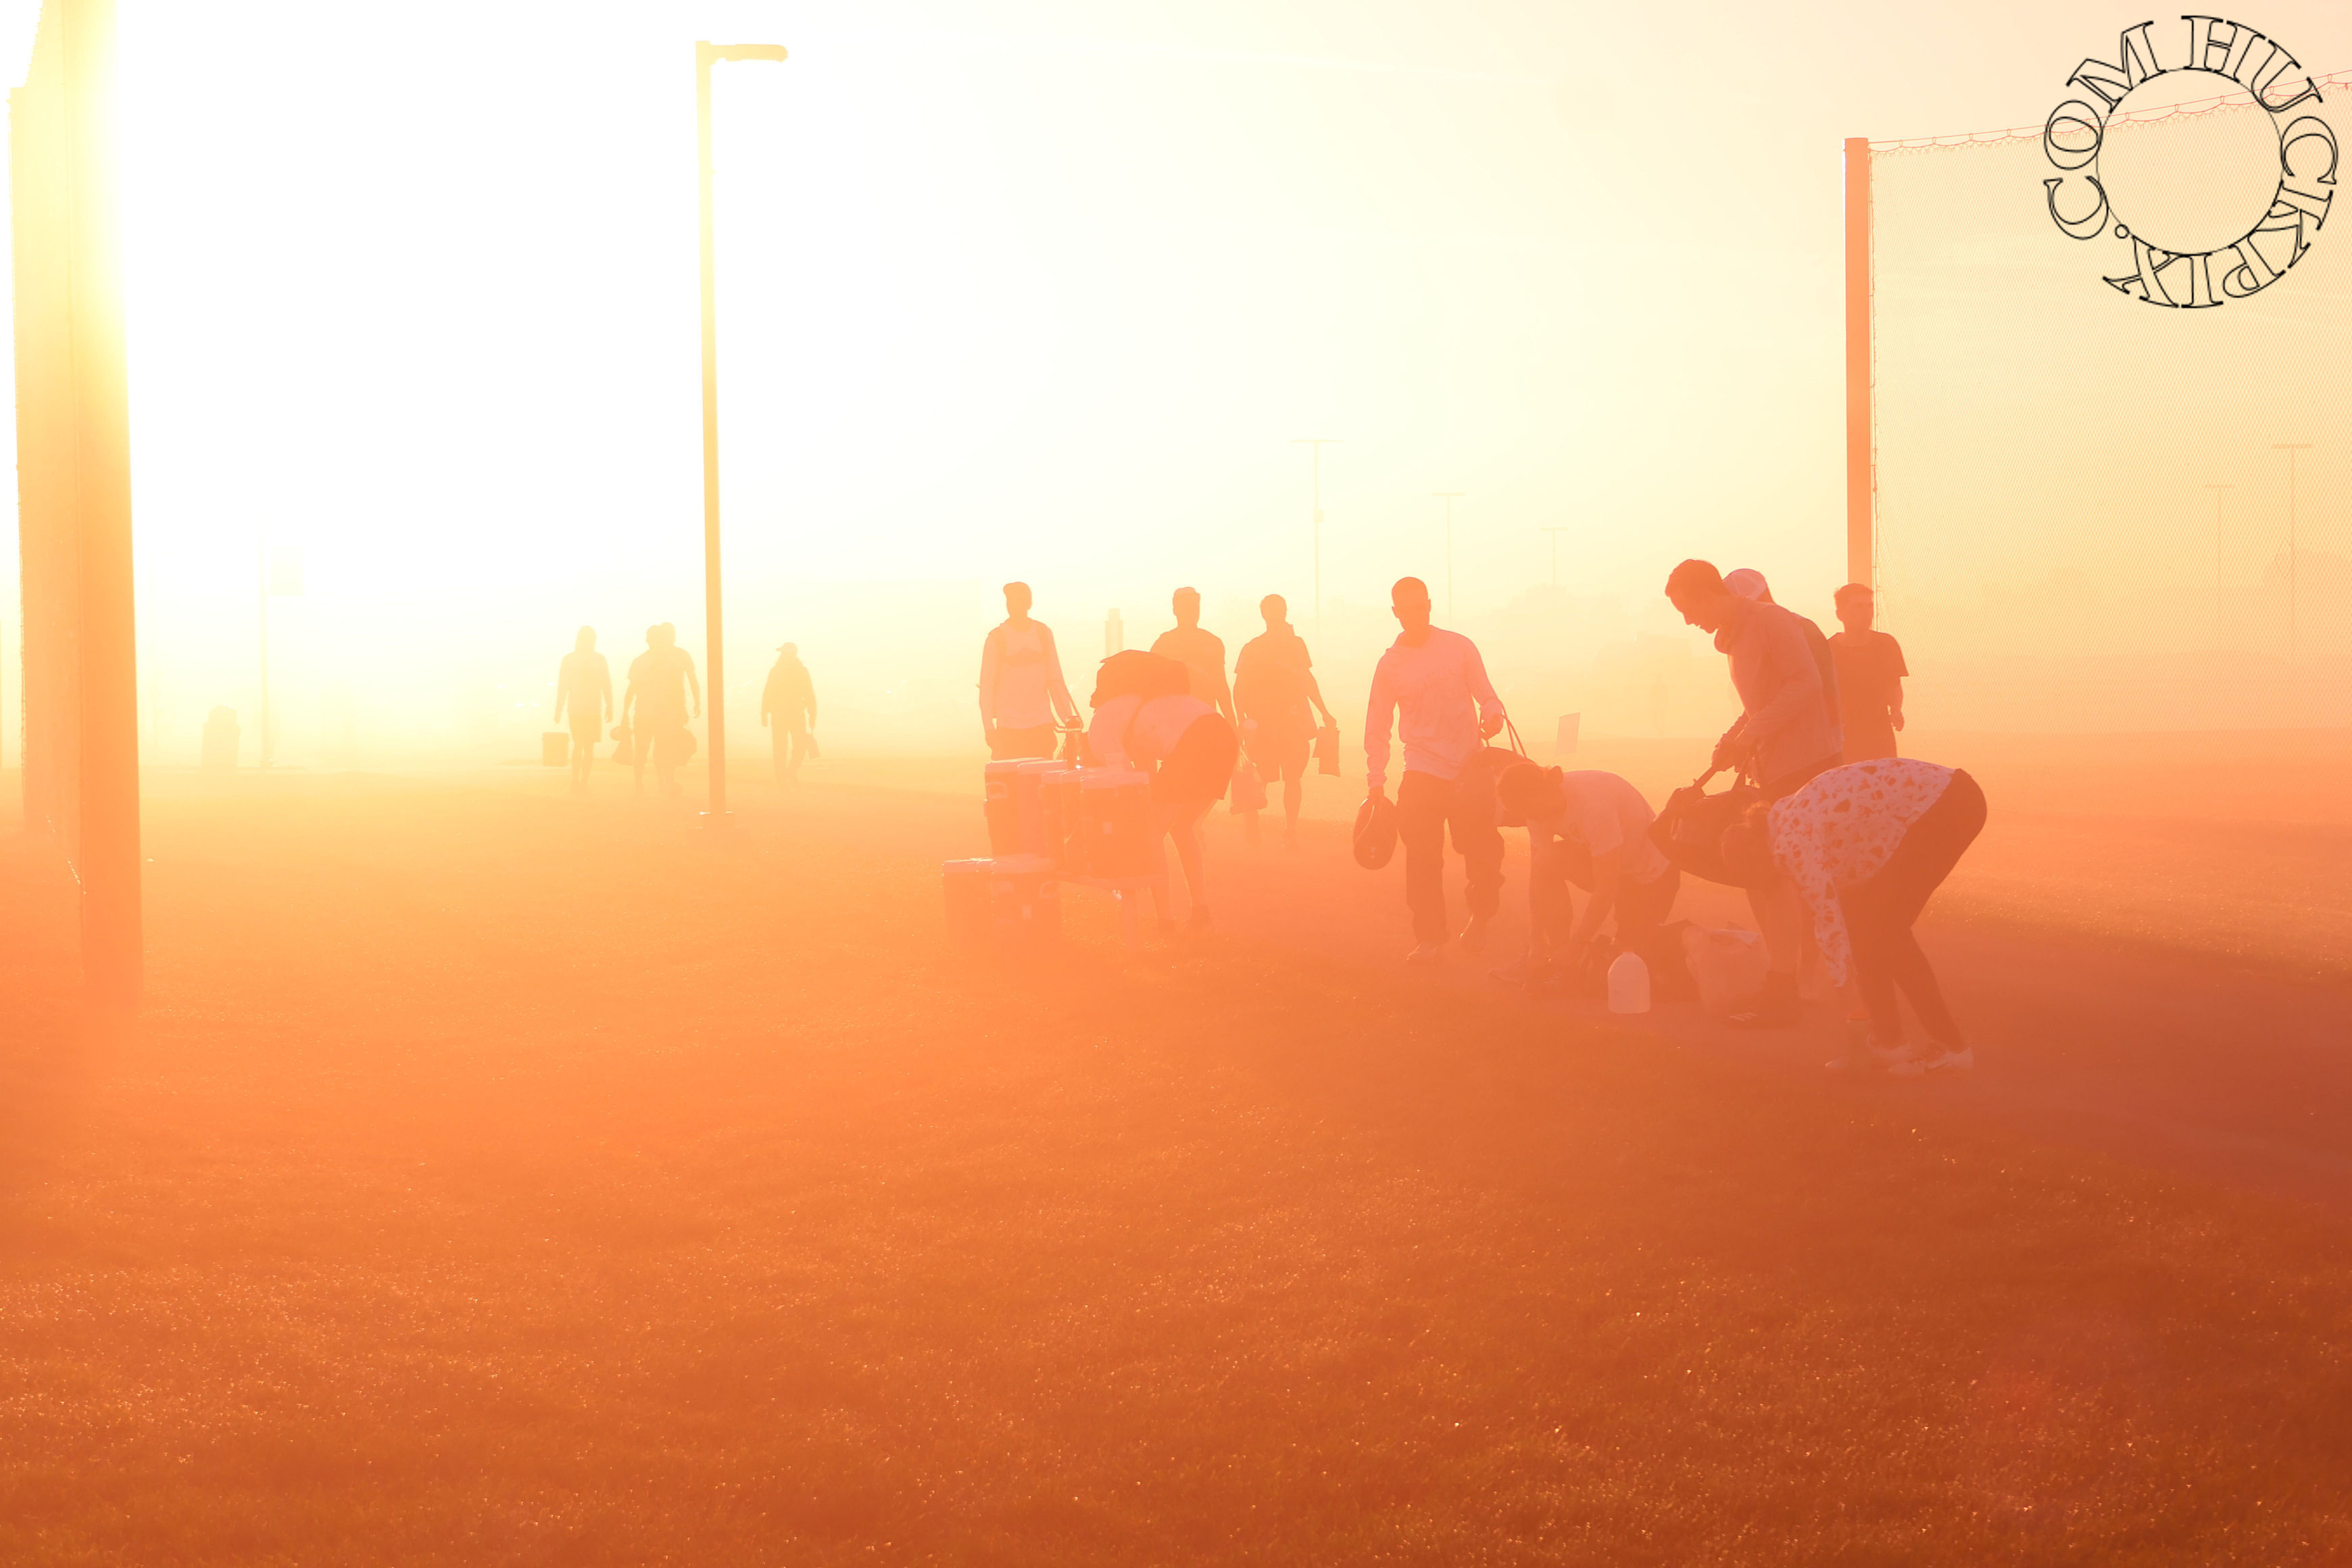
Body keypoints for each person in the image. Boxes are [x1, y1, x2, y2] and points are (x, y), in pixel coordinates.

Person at [1719, 758, 1986, 1075]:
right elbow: (1847, 903)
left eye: (1758, 880)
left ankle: (1952, 1048)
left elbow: (1830, 928)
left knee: (1888, 933)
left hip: (1947, 804)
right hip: (1941, 801)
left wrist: (1851, 1006)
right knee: (1867, 928)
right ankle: (1889, 1045)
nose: (1768, 889)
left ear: (1756, 856)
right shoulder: (1782, 819)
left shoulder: (1791, 846)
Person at [1666, 559, 1841, 1024]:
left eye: (1688, 609)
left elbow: (1807, 684)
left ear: (1708, 593)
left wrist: (1749, 734)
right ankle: (1786, 984)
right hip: (1772, 768)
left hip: (1806, 764)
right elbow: (1761, 704)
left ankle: (1795, 987)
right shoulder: (1735, 638)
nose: (1689, 621)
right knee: (1761, 873)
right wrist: (1733, 739)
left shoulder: (1769, 621)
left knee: (1787, 877)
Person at [1365, 576, 1506, 963]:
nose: (1417, 614)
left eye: (1422, 606)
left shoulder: (1459, 647)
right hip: (1422, 769)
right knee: (1422, 858)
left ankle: (1481, 913)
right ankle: (1430, 939)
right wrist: (1376, 780)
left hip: (1468, 768)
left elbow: (1488, 696)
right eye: (1407, 609)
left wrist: (1492, 715)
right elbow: (1377, 726)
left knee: (1482, 851)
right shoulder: (1390, 665)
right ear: (1395, 613)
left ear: (1430, 605)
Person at [1086, 650, 1240, 929]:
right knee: (1182, 828)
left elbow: (1127, 783)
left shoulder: (1100, 729)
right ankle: (1201, 910)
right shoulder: (1138, 703)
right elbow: (1147, 774)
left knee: (1152, 833)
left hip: (1194, 741)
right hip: (1223, 735)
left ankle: (1165, 920)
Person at [1494, 763, 1682, 991]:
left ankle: (1571, 956)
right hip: (1610, 866)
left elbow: (1607, 887)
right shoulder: (1535, 810)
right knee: (1546, 861)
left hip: (1651, 877)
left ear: (1539, 795)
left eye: (1527, 812)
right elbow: (1538, 875)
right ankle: (1555, 955)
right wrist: (1536, 939)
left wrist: (1578, 944)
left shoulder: (1593, 806)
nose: (1529, 819)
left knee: (1628, 966)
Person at [1233, 594, 1336, 848]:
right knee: (1260, 778)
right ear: (1265, 615)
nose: (1279, 615)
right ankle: (1253, 825)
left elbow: (1307, 680)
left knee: (1292, 778)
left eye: (1282, 610)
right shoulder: (1253, 647)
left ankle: (1290, 830)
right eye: (1274, 611)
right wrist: (1240, 719)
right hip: (1265, 724)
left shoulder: (1296, 644)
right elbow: (1240, 687)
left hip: (1293, 722)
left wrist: (1324, 710)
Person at [1725, 568, 1840, 758]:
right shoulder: (1762, 633)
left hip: (1811, 749)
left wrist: (1751, 734)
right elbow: (1767, 700)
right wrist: (1736, 737)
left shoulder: (1799, 628)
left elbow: (1818, 689)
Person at [978, 582, 1078, 760]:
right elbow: (987, 687)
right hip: (1008, 728)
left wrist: (1069, 721)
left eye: (1019, 600)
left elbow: (1055, 679)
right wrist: (989, 729)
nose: (1013, 605)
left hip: (1041, 725)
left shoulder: (1042, 633)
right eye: (1010, 601)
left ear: (1029, 603)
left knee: (1041, 783)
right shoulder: (996, 639)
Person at [1829, 584, 1908, 762]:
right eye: (1858, 606)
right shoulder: (1828, 650)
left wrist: (1896, 710)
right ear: (1840, 614)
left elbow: (1894, 686)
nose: (1867, 612)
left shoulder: (1886, 644)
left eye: (1869, 605)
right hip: (1843, 741)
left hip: (1879, 738)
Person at [622, 622, 702, 799]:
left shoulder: (673, 657)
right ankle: (652, 782)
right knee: (652, 749)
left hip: (661, 713)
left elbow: (631, 690)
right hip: (653, 713)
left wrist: (696, 702)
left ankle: (659, 782)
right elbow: (632, 689)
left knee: (661, 748)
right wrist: (624, 713)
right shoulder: (644, 661)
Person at [1148, 588, 1235, 722]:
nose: (1192, 612)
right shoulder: (1164, 644)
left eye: (1195, 607)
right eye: (1186, 607)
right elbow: (1153, 687)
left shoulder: (1212, 642)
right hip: (1174, 722)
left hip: (1205, 719)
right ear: (1175, 610)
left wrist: (1232, 722)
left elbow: (1221, 686)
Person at [551, 627, 612, 795]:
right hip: (577, 709)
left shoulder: (598, 660)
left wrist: (610, 705)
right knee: (580, 745)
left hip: (592, 709)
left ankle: (582, 780)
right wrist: (558, 709)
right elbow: (563, 686)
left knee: (588, 747)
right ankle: (577, 780)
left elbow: (606, 683)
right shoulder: (570, 660)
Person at [761, 643, 817, 786]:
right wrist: (812, 715)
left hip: (782, 714)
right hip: (795, 714)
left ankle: (785, 775)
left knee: (781, 748)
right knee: (798, 747)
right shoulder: (800, 671)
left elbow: (768, 692)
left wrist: (764, 712)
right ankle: (789, 773)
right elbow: (810, 694)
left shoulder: (779, 671)